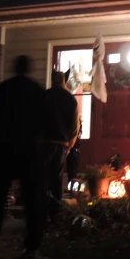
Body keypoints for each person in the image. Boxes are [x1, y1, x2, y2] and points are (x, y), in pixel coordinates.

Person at [0, 55, 47, 259]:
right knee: (33, 201)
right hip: (29, 152)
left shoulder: (4, 89)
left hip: (5, 150)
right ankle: (32, 246)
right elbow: (44, 122)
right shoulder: (37, 91)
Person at [43, 70, 79, 221]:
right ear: (64, 80)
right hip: (61, 144)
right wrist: (70, 144)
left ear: (52, 80)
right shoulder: (71, 100)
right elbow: (74, 127)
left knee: (42, 178)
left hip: (43, 144)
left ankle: (41, 212)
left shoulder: (43, 96)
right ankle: (54, 213)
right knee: (56, 179)